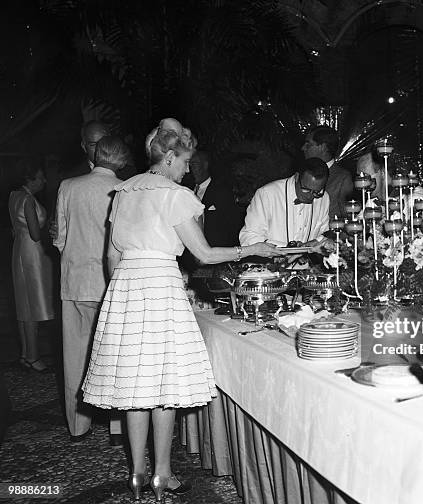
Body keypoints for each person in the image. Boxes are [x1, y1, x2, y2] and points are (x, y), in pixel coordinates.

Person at [81, 123, 284, 501]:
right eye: (186, 161)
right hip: (160, 286)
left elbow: (111, 256)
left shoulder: (125, 192)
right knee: (164, 386)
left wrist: (124, 293)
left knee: (135, 388)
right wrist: (251, 251)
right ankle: (162, 474)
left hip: (125, 288)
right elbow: (204, 254)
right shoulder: (174, 195)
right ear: (170, 156)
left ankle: (138, 475)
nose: (188, 170)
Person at [53, 136, 128, 445]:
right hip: (109, 283)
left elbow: (59, 237)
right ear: (121, 161)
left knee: (74, 357)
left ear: (94, 157)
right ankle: (117, 428)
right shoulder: (124, 189)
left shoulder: (68, 186)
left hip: (73, 280)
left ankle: (78, 426)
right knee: (114, 357)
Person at [8, 159, 55, 373]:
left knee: (23, 305)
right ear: (30, 179)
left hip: (19, 250)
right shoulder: (27, 199)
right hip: (33, 254)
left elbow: (15, 229)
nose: (43, 180)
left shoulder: (13, 196)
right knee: (33, 305)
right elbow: (36, 234)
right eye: (40, 177)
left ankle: (27, 354)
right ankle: (34, 357)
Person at [239, 157, 331, 248]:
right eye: (306, 189)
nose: (310, 196)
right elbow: (249, 237)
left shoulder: (325, 198)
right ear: (296, 177)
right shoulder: (267, 194)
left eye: (317, 192)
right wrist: (287, 248)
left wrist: (316, 242)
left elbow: (324, 234)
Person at [190, 150, 242, 247]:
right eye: (189, 164)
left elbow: (232, 225)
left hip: (215, 252)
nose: (190, 169)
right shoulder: (187, 192)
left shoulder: (221, 191)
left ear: (205, 165)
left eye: (194, 164)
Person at [302, 125, 353, 219]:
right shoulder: (302, 174)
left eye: (308, 144)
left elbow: (349, 219)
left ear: (323, 147)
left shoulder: (343, 178)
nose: (303, 148)